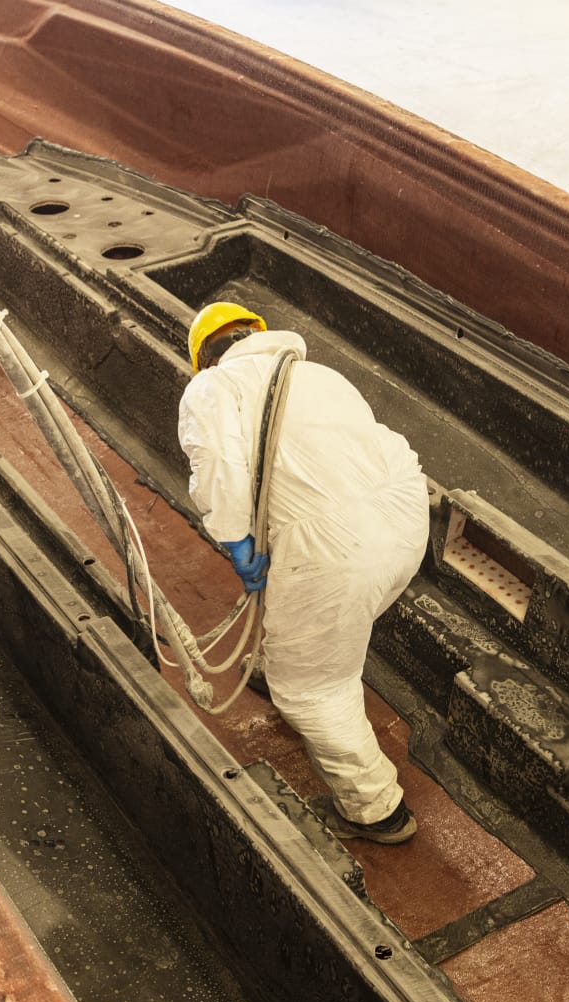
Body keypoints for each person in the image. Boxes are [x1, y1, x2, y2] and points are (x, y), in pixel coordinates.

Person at [178, 301, 429, 842]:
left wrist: (237, 541)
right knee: (322, 615)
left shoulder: (212, 389)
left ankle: (377, 808)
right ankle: (279, 656)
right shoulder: (320, 374)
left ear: (205, 358)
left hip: (335, 548)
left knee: (314, 688)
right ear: (258, 334)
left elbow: (219, 472)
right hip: (407, 519)